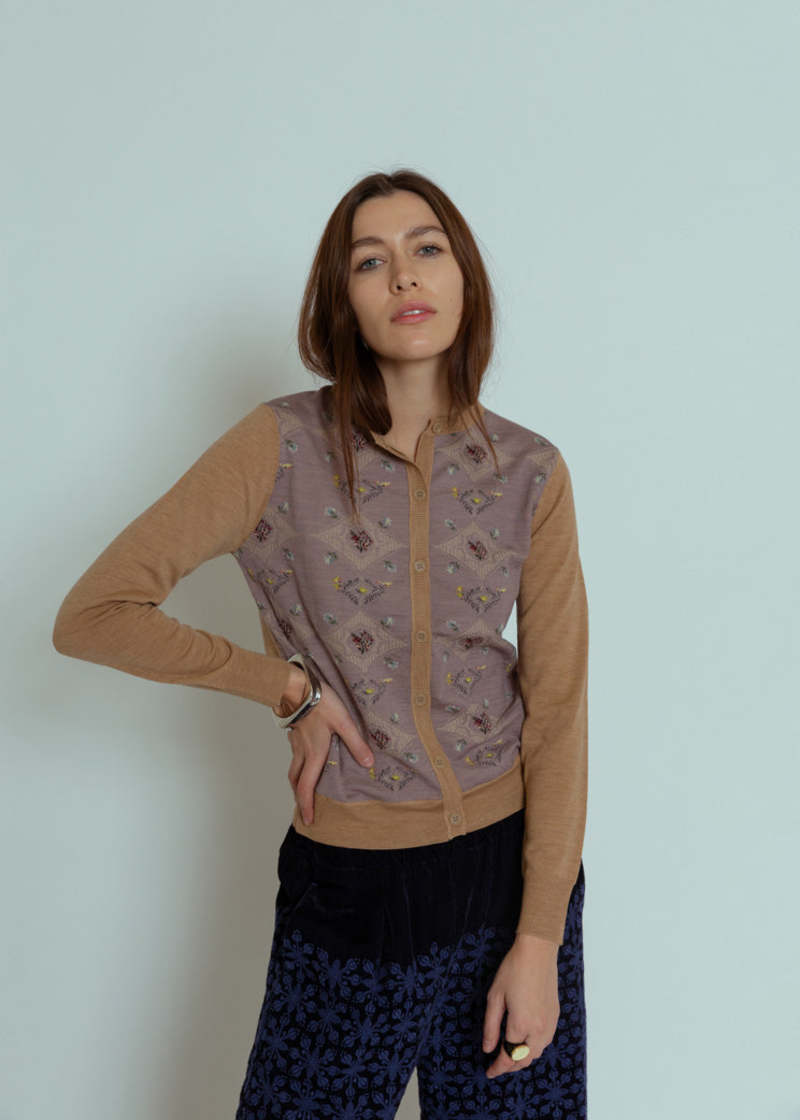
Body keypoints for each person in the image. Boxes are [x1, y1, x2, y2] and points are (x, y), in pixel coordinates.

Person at [52, 168, 589, 1118]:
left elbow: (557, 712)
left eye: (427, 248)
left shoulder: (530, 470)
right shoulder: (278, 446)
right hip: (354, 887)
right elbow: (96, 611)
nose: (403, 275)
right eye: (369, 261)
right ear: (342, 300)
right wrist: (286, 688)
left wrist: (540, 936)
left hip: (512, 880)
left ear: (464, 277)